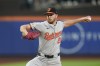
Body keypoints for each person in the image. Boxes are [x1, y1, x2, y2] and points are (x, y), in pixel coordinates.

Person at [20, 7, 91, 66]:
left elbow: (68, 23)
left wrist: (82, 18)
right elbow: (23, 27)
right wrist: (25, 32)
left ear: (56, 15)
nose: (49, 16)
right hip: (41, 59)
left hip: (55, 61)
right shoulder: (41, 25)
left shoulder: (60, 25)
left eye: (51, 14)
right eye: (47, 14)